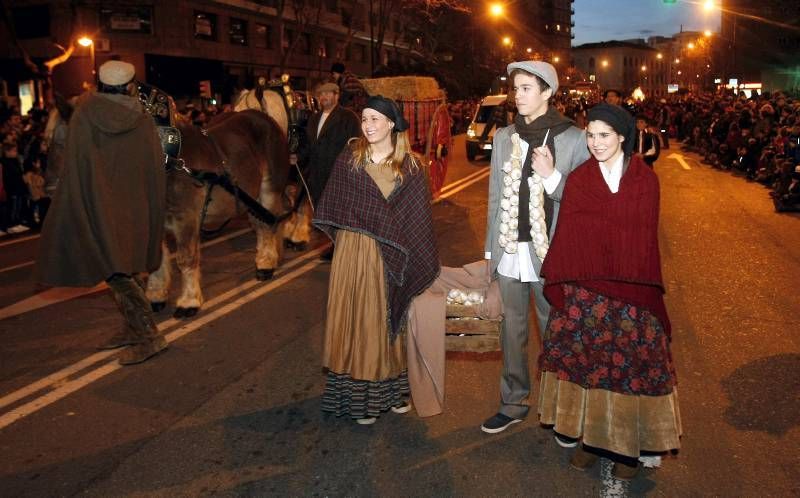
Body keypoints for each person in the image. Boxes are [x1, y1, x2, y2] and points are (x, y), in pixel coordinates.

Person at [538, 103, 681, 480]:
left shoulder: (645, 180)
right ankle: (593, 441)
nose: (596, 142)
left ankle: (628, 452)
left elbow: (640, 238)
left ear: (622, 137)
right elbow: (570, 233)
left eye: (604, 135)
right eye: (591, 135)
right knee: (591, 370)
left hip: (633, 296)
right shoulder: (581, 179)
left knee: (628, 373)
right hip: (589, 294)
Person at [313, 95, 439, 424]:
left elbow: (417, 219)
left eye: (375, 119)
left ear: (391, 124)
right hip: (353, 252)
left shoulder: (410, 166)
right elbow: (334, 202)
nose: (368, 125)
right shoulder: (351, 158)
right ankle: (360, 399)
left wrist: (408, 254)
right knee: (357, 320)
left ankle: (394, 391)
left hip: (390, 255)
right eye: (365, 119)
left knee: (389, 319)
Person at [36, 60, 168, 366]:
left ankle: (149, 336)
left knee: (115, 270)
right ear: (130, 85)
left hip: (100, 203)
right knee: (124, 267)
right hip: (135, 205)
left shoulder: (84, 113)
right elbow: (153, 167)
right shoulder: (143, 117)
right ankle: (132, 328)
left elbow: (75, 162)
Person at [482, 61, 590, 434]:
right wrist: (490, 255)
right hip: (510, 248)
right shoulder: (503, 137)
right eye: (516, 88)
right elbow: (495, 198)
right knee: (511, 330)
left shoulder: (574, 139)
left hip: (551, 254)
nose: (518, 95)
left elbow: (584, 204)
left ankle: (561, 408)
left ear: (547, 92)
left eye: (526, 88)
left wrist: (552, 178)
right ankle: (513, 402)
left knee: (554, 330)